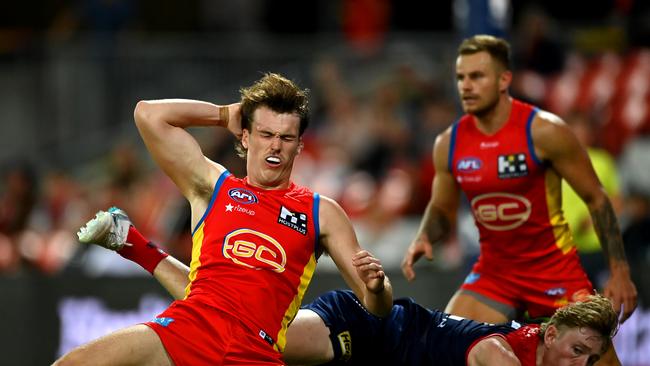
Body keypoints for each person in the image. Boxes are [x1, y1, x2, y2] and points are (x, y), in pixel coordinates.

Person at [54, 73, 392, 366]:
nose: (275, 147)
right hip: (189, 331)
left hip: (255, 352)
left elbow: (377, 307)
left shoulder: (321, 212)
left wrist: (377, 287)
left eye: (286, 138)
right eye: (265, 134)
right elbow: (148, 114)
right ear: (245, 137)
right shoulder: (213, 186)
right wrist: (223, 114)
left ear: (299, 146)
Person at [72, 209, 618, 366]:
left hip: (390, 339)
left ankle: (132, 243)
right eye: (577, 352)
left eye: (589, 361)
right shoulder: (501, 359)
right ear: (548, 332)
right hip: (367, 329)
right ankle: (134, 243)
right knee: (242, 331)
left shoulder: (539, 348)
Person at [400, 35, 636, 365]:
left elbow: (597, 199)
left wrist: (619, 271)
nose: (466, 85)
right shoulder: (449, 144)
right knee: (443, 347)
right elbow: (441, 208)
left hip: (554, 270)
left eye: (477, 76)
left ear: (504, 80)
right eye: (460, 77)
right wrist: (425, 235)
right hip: (495, 273)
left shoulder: (545, 131)